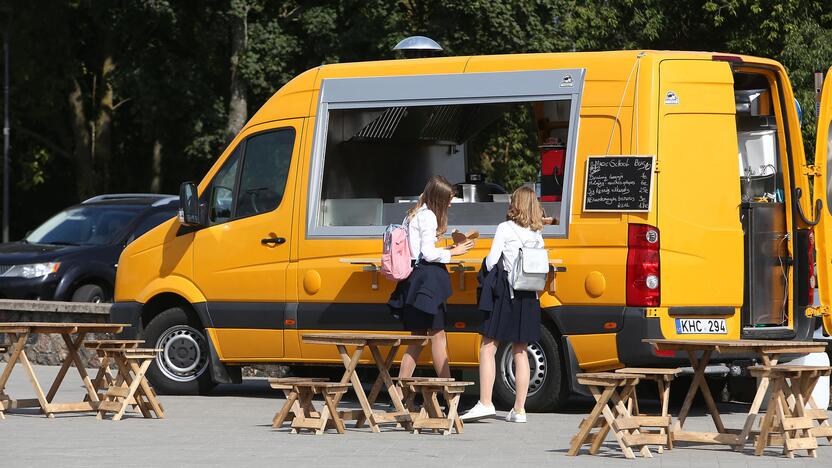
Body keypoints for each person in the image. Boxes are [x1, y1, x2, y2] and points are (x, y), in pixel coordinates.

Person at [461, 185, 545, 423]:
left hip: (507, 296)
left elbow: (490, 262)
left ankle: (486, 402)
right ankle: (519, 410)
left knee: (488, 346)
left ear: (514, 204)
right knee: (521, 351)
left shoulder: (504, 229)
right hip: (529, 296)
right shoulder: (537, 233)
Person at [388, 175, 474, 379]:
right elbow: (427, 253)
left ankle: (400, 394)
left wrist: (447, 248)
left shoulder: (414, 213)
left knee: (417, 340)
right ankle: (447, 389)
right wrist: (454, 252)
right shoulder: (428, 217)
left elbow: (420, 249)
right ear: (439, 199)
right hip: (428, 283)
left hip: (414, 280)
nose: (450, 204)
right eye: (449, 200)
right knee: (438, 336)